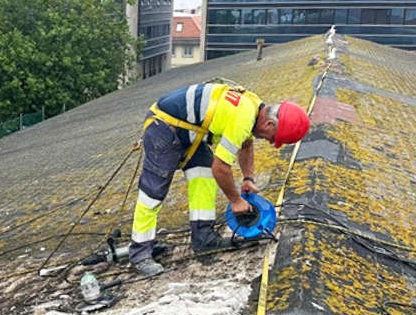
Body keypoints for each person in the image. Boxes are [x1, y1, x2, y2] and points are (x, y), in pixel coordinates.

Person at [129, 82, 310, 276]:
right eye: (274, 137)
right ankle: (140, 254)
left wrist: (248, 178)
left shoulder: (255, 107)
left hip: (189, 132)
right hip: (164, 126)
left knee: (203, 174)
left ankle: (204, 238)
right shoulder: (243, 117)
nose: (271, 142)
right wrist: (235, 201)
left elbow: (246, 145)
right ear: (269, 124)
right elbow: (221, 168)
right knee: (153, 193)